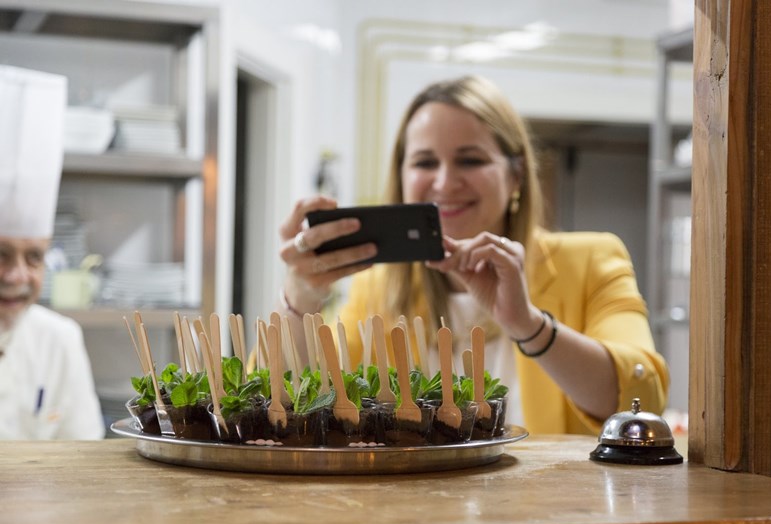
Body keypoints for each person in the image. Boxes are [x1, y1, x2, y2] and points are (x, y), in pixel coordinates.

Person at [278, 75, 668, 434]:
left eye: (470, 160)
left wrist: (528, 325)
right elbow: (287, 406)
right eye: (425, 162)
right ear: (401, 177)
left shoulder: (591, 260)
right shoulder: (377, 288)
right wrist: (299, 298)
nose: (445, 182)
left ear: (515, 176)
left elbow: (642, 402)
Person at [0, 65, 105, 440]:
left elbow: (83, 458)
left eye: (34, 257)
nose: (16, 277)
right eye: (1, 254)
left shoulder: (60, 340)